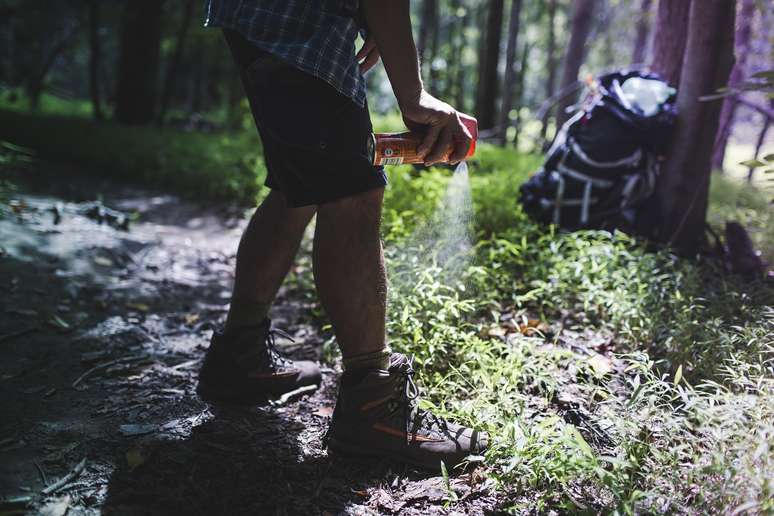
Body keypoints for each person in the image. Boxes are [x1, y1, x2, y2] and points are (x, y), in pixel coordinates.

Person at [197, 0, 487, 470]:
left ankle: (239, 355)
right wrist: (413, 95)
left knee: (301, 186)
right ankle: (374, 407)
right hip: (303, 23)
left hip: (263, 17)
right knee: (352, 192)